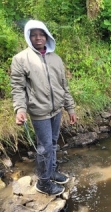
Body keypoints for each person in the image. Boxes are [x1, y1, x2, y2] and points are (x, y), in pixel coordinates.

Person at [10, 20, 77, 195]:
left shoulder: (56, 58)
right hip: (39, 111)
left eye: (41, 34)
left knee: (53, 144)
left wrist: (70, 108)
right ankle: (43, 182)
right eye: (33, 34)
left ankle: (52, 172)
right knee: (45, 146)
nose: (38, 38)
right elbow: (18, 88)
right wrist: (20, 110)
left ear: (47, 36)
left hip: (56, 110)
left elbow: (64, 85)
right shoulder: (21, 59)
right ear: (28, 37)